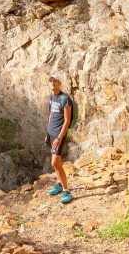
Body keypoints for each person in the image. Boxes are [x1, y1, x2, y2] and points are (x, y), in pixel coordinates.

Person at [45, 72, 73, 204]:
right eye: (51, 81)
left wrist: (59, 138)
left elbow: (67, 121)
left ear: (59, 83)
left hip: (59, 134)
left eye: (55, 81)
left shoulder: (64, 98)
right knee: (55, 161)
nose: (52, 83)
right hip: (51, 133)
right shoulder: (52, 97)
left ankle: (66, 190)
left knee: (55, 162)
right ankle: (59, 183)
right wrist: (47, 132)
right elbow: (51, 114)